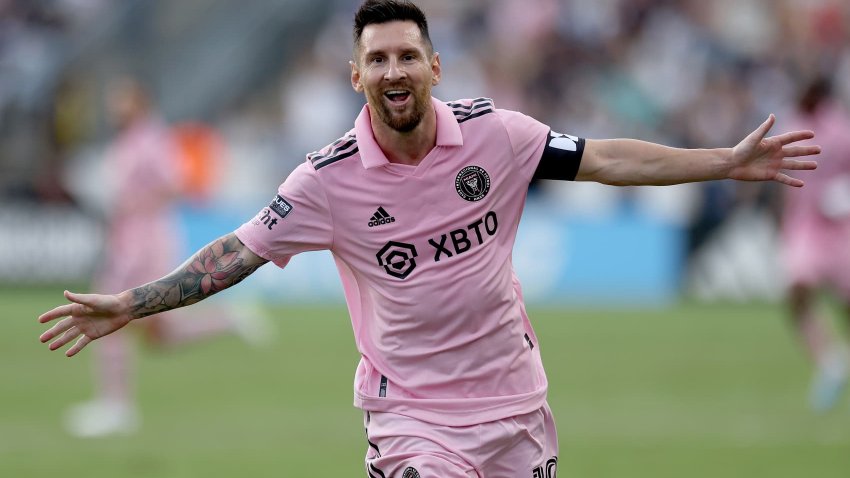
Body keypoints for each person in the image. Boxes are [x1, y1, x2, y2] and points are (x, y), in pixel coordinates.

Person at [39, 0, 818, 474]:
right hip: (410, 415)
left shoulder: (499, 137)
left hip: (516, 403)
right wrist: (134, 305)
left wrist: (723, 160)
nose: (392, 68)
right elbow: (236, 253)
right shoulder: (326, 180)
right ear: (356, 77)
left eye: (406, 54)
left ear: (434, 66)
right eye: (375, 58)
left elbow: (606, 157)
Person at [63, 76, 268, 438]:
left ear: (139, 101)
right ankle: (228, 321)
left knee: (104, 306)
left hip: (146, 241)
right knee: (161, 335)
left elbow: (175, 184)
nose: (115, 107)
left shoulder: (152, 140)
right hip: (131, 237)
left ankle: (116, 406)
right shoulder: (130, 140)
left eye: (121, 99)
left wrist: (133, 204)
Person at [781, 76, 850, 412]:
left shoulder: (838, 128)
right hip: (805, 224)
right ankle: (830, 360)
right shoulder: (794, 124)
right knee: (797, 291)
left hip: (840, 226)